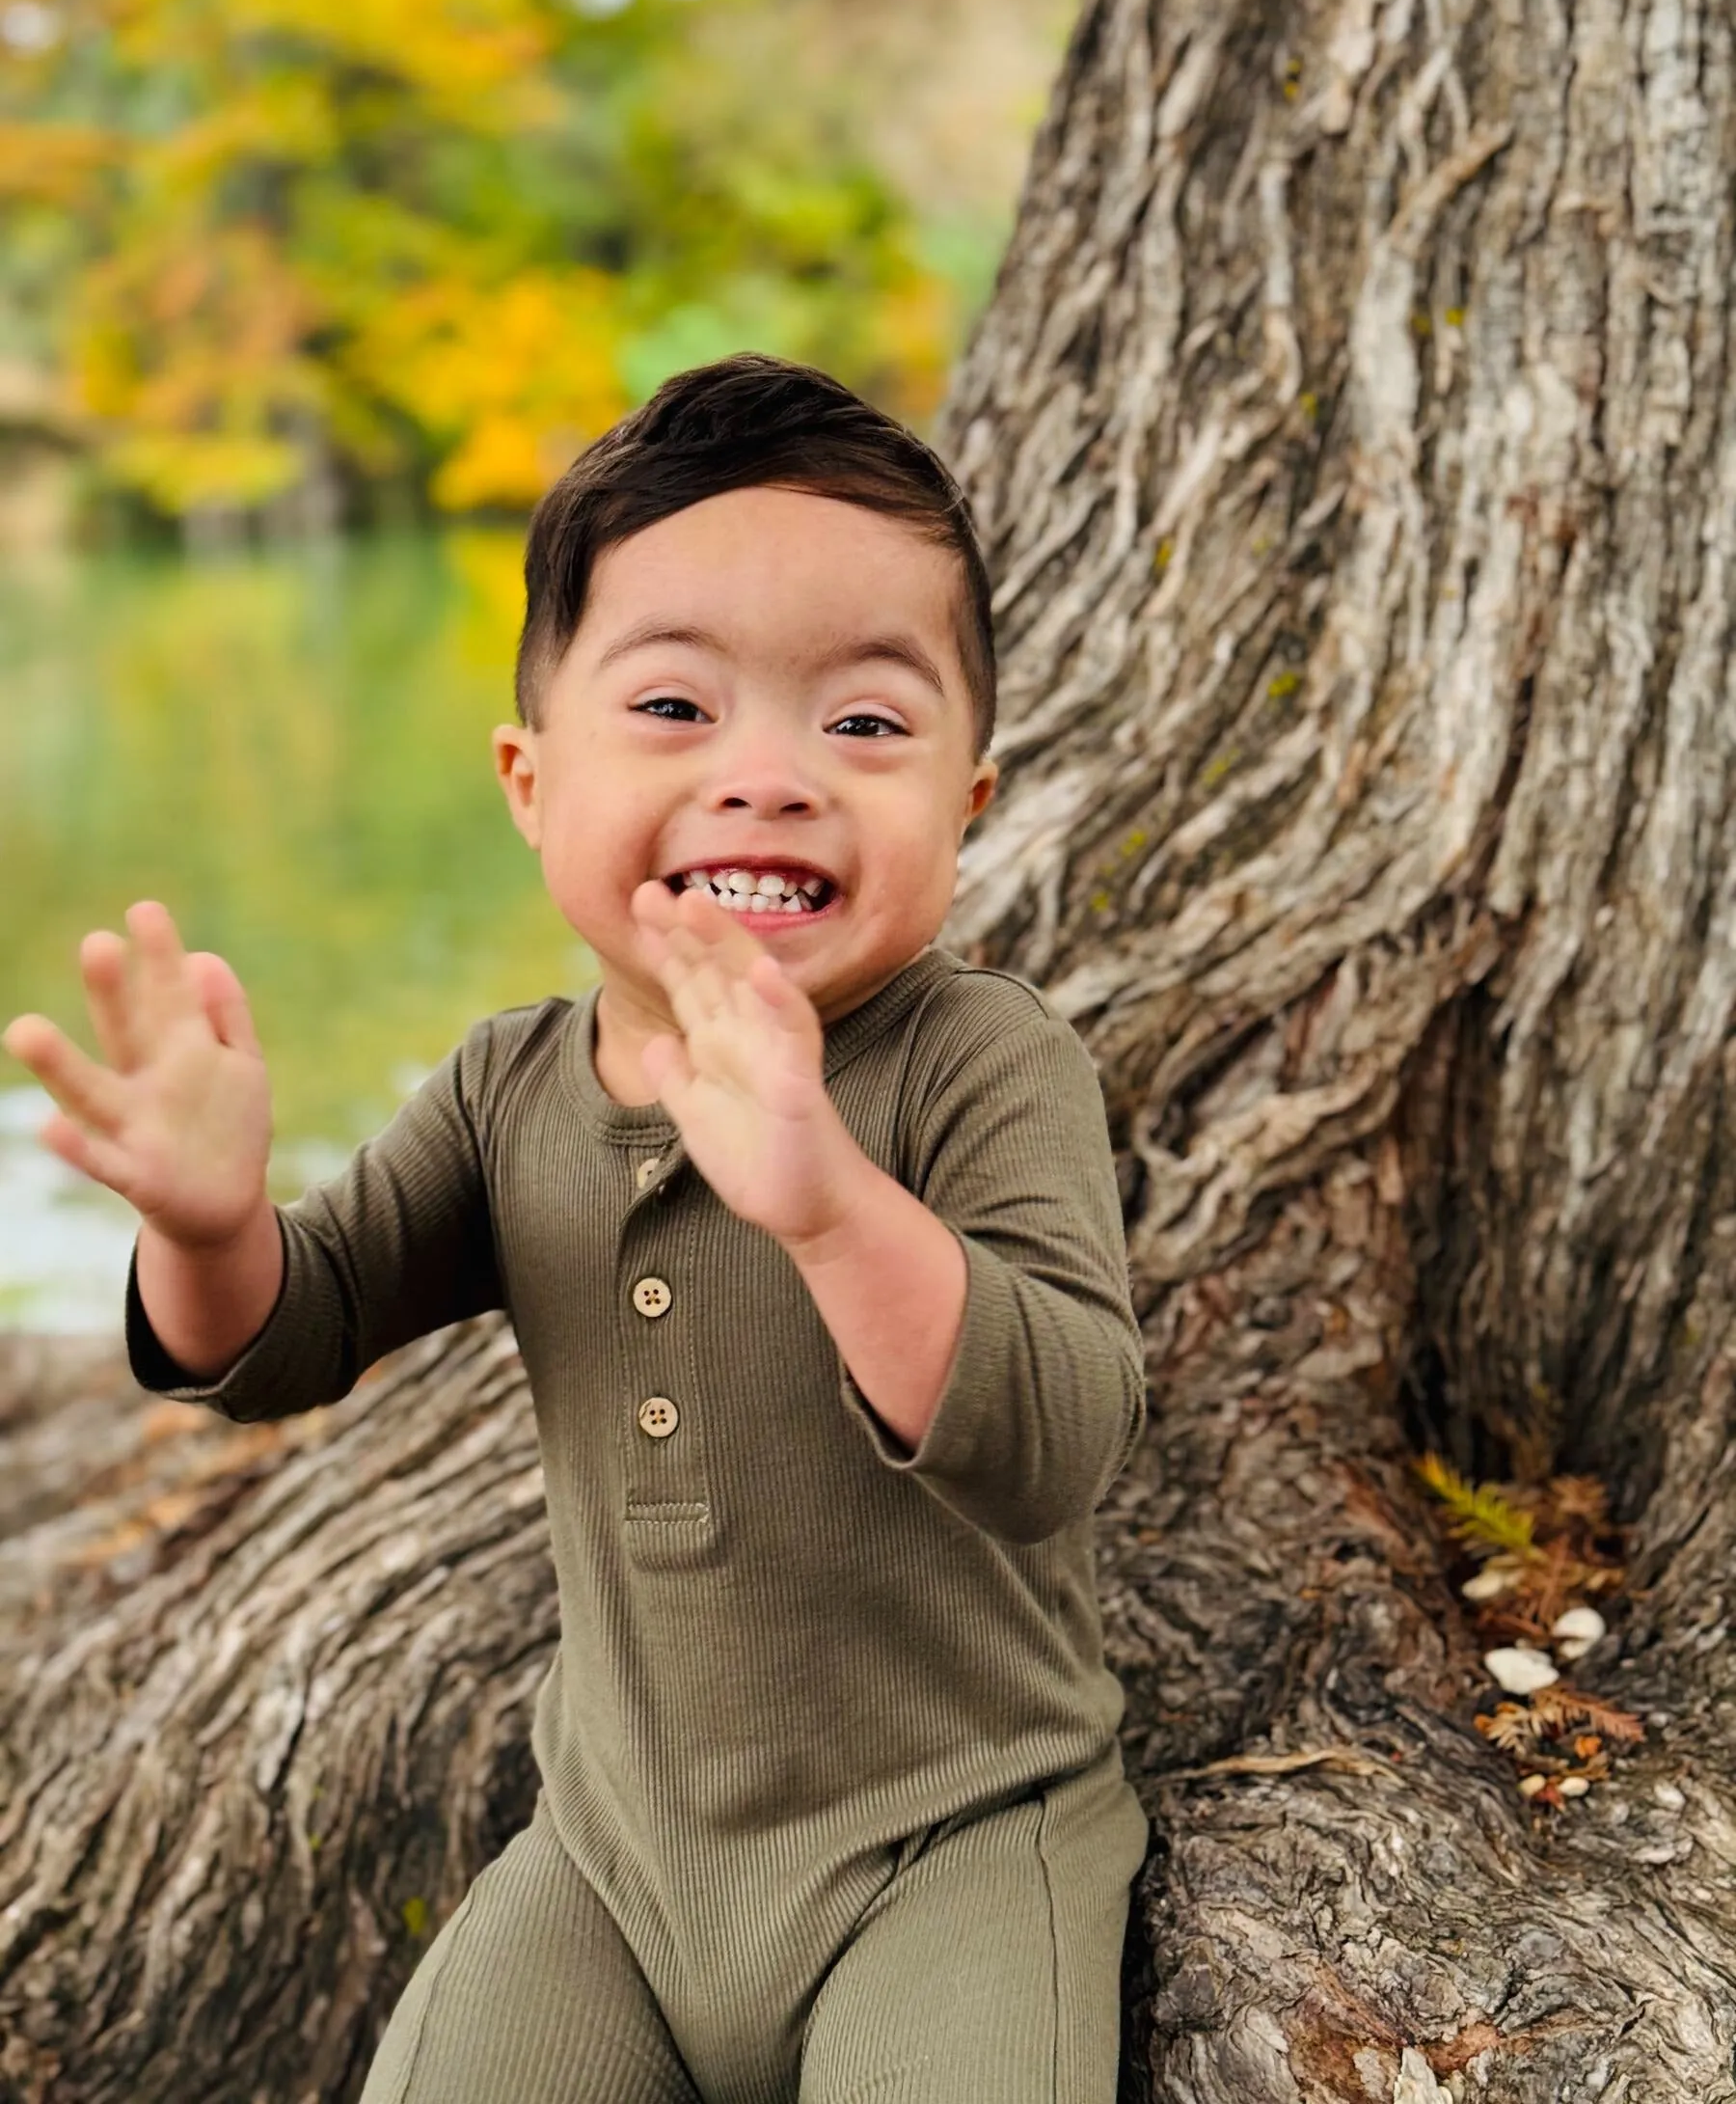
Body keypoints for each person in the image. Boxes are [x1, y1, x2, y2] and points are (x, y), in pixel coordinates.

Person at [3, 354, 1150, 2104]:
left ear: (966, 806)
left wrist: (831, 1205)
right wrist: (206, 1219)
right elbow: (288, 1334)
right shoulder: (506, 1090)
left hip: (954, 1838)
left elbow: (1055, 1439)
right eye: (678, 709)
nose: (770, 776)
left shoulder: (981, 1063)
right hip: (617, 1862)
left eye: (863, 723)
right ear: (532, 782)